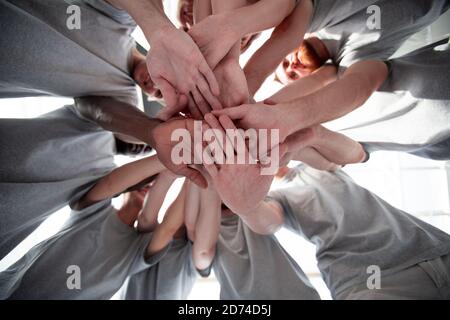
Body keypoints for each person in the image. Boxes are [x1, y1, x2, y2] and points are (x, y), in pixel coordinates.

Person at [214, 0, 449, 146]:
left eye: (284, 62)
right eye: (293, 76)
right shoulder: (355, 57)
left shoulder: (316, 18)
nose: (292, 66)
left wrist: (244, 85)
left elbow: (291, 24)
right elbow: (362, 83)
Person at [0, 155, 190, 299]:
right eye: (147, 180)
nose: (148, 186)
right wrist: (167, 158)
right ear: (127, 188)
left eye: (153, 185)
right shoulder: (93, 211)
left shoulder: (136, 249)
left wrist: (193, 175)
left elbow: (168, 228)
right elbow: (109, 183)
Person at [265, 165, 450, 299]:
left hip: (432, 251)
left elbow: (349, 151)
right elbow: (267, 221)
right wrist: (246, 203)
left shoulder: (316, 164)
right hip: (372, 277)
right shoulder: (274, 197)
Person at [0, 105, 115, 260]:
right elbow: (100, 110)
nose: (141, 149)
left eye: (145, 149)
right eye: (143, 144)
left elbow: (119, 183)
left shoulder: (106, 171)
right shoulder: (99, 117)